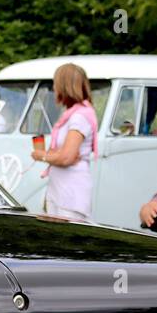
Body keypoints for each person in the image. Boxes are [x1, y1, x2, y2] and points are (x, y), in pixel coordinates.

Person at [31, 62, 98, 221]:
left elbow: (67, 157)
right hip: (61, 191)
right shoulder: (72, 114)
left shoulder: (80, 116)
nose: (54, 88)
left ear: (64, 85)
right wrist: (59, 155)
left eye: (56, 83)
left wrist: (40, 155)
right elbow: (65, 155)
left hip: (70, 194)